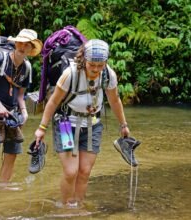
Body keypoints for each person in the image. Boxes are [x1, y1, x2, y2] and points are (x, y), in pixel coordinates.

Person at [34, 39, 130, 206]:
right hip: (66, 124)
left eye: (100, 65)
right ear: (83, 59)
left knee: (84, 172)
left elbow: (115, 101)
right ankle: (65, 207)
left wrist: (124, 125)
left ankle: (77, 205)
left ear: (105, 62)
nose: (96, 69)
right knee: (71, 172)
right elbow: (53, 102)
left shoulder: (108, 75)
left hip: (93, 125)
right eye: (92, 64)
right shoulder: (70, 74)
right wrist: (42, 128)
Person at [0, 29, 43, 182]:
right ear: (15, 43)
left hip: (13, 114)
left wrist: (24, 112)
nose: (22, 46)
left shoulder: (26, 68)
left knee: (11, 155)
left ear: (31, 48)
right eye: (20, 42)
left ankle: (3, 190)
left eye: (27, 44)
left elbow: (20, 95)